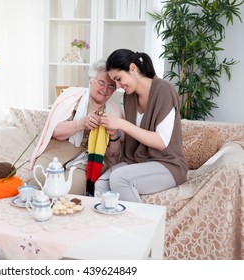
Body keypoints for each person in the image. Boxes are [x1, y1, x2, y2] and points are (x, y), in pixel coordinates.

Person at [96, 49, 188, 202]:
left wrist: (122, 124)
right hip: (138, 161)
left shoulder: (164, 90)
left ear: (133, 69)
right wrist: (115, 132)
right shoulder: (129, 96)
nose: (118, 86)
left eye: (119, 79)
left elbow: (161, 141)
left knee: (119, 178)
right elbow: (133, 137)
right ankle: (111, 224)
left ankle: (140, 224)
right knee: (100, 185)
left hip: (168, 164)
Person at [29, 59, 124, 195]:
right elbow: (55, 131)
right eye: (101, 83)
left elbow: (113, 154)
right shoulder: (72, 97)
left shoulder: (115, 111)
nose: (105, 90)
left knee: (75, 188)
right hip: (57, 151)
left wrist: (114, 135)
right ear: (91, 81)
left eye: (111, 87)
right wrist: (81, 123)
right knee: (37, 178)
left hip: (89, 159)